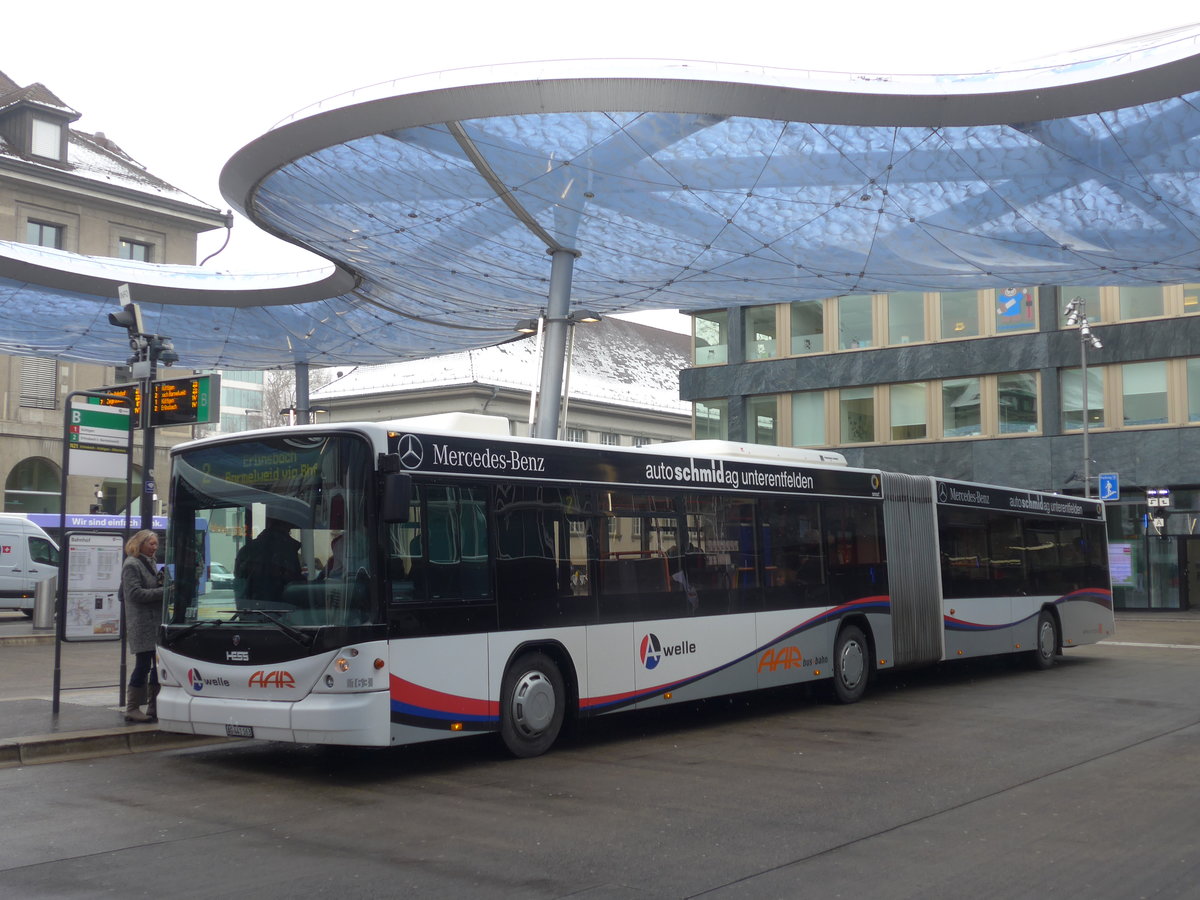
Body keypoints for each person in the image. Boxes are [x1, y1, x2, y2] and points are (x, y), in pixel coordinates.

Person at [121, 529, 163, 723]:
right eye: (151, 544)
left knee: (157, 665)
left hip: (154, 622)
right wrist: (163, 591)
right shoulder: (132, 564)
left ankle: (153, 706)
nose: (155, 547)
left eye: (156, 544)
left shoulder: (150, 562)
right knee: (143, 664)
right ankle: (133, 708)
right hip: (142, 622)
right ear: (140, 544)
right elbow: (134, 593)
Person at [233, 516, 302, 609]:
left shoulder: (246, 551)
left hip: (250, 613)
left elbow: (239, 586)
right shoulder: (286, 550)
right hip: (283, 614)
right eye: (288, 531)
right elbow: (295, 585)